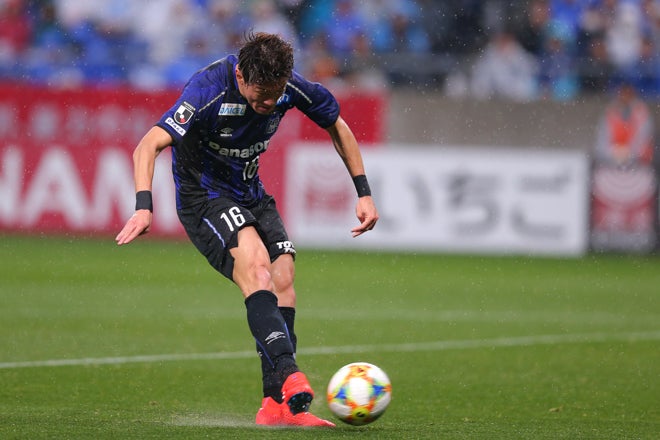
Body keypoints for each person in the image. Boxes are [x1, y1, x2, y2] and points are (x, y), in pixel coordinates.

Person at [115, 32, 379, 427]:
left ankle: (275, 408)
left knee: (283, 275)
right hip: (204, 198)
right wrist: (142, 206)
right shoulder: (207, 91)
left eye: (275, 94)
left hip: (250, 193)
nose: (269, 103)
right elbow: (148, 145)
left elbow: (337, 125)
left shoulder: (288, 86)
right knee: (256, 269)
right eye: (261, 95)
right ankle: (289, 376)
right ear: (240, 75)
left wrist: (364, 193)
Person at [594, 82, 655, 167]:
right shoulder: (611, 112)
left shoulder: (642, 113)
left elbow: (644, 138)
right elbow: (602, 139)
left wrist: (629, 153)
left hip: (638, 162)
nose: (625, 98)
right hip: (611, 160)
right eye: (623, 95)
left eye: (628, 95)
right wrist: (613, 152)